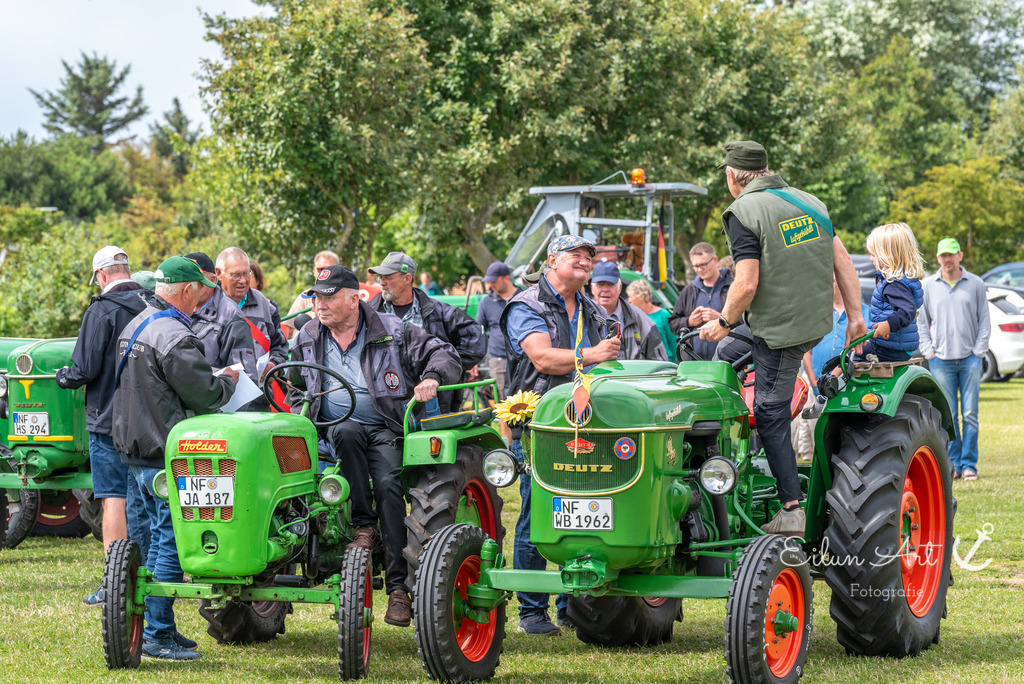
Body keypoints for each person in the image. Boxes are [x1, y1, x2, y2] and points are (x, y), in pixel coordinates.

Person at [698, 140, 866, 537]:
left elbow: (746, 283)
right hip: (807, 322)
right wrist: (856, 317)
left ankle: (792, 509)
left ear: (731, 176)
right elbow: (841, 260)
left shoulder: (743, 210)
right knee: (726, 352)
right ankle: (733, 452)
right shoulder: (811, 203)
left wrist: (722, 319)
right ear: (765, 168)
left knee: (772, 412)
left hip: (779, 333)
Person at [288, 265, 462, 627]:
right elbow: (293, 378)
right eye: (317, 297)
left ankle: (399, 589)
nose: (321, 304)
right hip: (332, 430)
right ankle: (364, 527)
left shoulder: (394, 331)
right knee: (345, 433)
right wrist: (298, 409)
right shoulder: (307, 334)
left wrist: (431, 377)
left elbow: (444, 353)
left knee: (387, 484)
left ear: (354, 299)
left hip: (385, 426)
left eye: (330, 296)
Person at [112, 256, 239, 661]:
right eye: (202, 290)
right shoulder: (174, 335)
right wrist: (228, 380)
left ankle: (155, 625)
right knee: (169, 541)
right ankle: (159, 635)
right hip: (163, 450)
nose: (205, 298)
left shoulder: (137, 324)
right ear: (186, 290)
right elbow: (203, 395)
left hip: (132, 448)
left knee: (149, 538)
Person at [499, 235, 620, 635]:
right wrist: (592, 355)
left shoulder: (592, 308)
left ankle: (574, 605)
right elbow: (543, 358)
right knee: (539, 515)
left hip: (591, 423)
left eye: (590, 257)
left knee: (586, 512)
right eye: (576, 255)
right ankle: (532, 611)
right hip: (541, 424)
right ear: (551, 261)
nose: (586, 262)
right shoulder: (526, 304)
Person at [56, 246, 152, 606]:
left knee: (114, 498)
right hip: (148, 421)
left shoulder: (101, 310)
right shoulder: (153, 304)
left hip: (109, 419)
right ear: (126, 270)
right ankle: (149, 576)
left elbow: (83, 369)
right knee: (144, 501)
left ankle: (115, 584)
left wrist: (64, 376)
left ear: (101, 275)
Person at [368, 251, 485, 410]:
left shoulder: (440, 312)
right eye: (380, 277)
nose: (381, 283)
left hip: (431, 400)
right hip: (384, 402)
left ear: (407, 278)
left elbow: (475, 339)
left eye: (387, 277)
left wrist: (443, 371)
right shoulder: (368, 313)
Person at [918, 237, 990, 481]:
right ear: (938, 258)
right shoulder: (928, 286)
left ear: (960, 255)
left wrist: (978, 351)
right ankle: (954, 465)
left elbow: (984, 322)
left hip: (970, 359)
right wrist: (930, 352)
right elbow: (921, 323)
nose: (947, 259)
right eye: (942, 255)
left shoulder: (976, 284)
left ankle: (969, 464)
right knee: (946, 416)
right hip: (941, 361)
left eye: (951, 254)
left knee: (970, 414)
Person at [791, 278, 870, 459]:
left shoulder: (864, 313)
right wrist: (813, 382)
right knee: (815, 429)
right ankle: (815, 461)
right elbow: (806, 352)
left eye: (835, 281)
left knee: (843, 431)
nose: (831, 285)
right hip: (817, 383)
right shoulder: (819, 314)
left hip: (849, 385)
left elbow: (865, 349)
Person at [216, 247, 289, 404]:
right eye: (235, 275)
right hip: (219, 401)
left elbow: (280, 346)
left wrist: (274, 365)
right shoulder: (207, 305)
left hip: (259, 399)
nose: (243, 280)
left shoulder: (263, 304)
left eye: (246, 273)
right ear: (219, 274)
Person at [187, 252, 258, 386]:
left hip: (217, 402)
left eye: (197, 280)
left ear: (213, 279)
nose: (191, 285)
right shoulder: (179, 309)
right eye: (186, 280)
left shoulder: (231, 315)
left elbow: (242, 375)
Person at [477, 262, 521, 439]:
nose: (491, 285)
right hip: (499, 360)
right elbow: (478, 331)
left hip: (524, 358)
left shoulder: (524, 296)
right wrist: (475, 359)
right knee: (504, 405)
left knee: (526, 402)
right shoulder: (486, 301)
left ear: (507, 278)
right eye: (489, 281)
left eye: (494, 281)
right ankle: (509, 450)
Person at [590, 261, 667, 361]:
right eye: (600, 284)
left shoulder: (638, 317)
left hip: (631, 376)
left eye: (611, 284)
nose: (605, 289)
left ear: (620, 288)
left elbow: (659, 361)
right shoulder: (583, 315)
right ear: (592, 288)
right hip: (594, 376)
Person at [669, 242, 733, 360]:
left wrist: (723, 319)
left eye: (703, 264)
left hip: (727, 362)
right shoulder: (689, 290)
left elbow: (747, 324)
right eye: (695, 266)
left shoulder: (732, 287)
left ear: (715, 259)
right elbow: (673, 324)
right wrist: (689, 321)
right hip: (693, 362)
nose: (699, 270)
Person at [284, 250, 340, 338]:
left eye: (329, 270)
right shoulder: (304, 297)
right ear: (314, 271)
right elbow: (291, 330)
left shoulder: (348, 293)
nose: (324, 273)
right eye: (320, 269)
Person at [626, 279, 677, 363]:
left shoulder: (663, 315)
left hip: (665, 365)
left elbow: (674, 343)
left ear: (642, 296)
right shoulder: (633, 317)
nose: (629, 301)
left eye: (630, 296)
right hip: (644, 367)